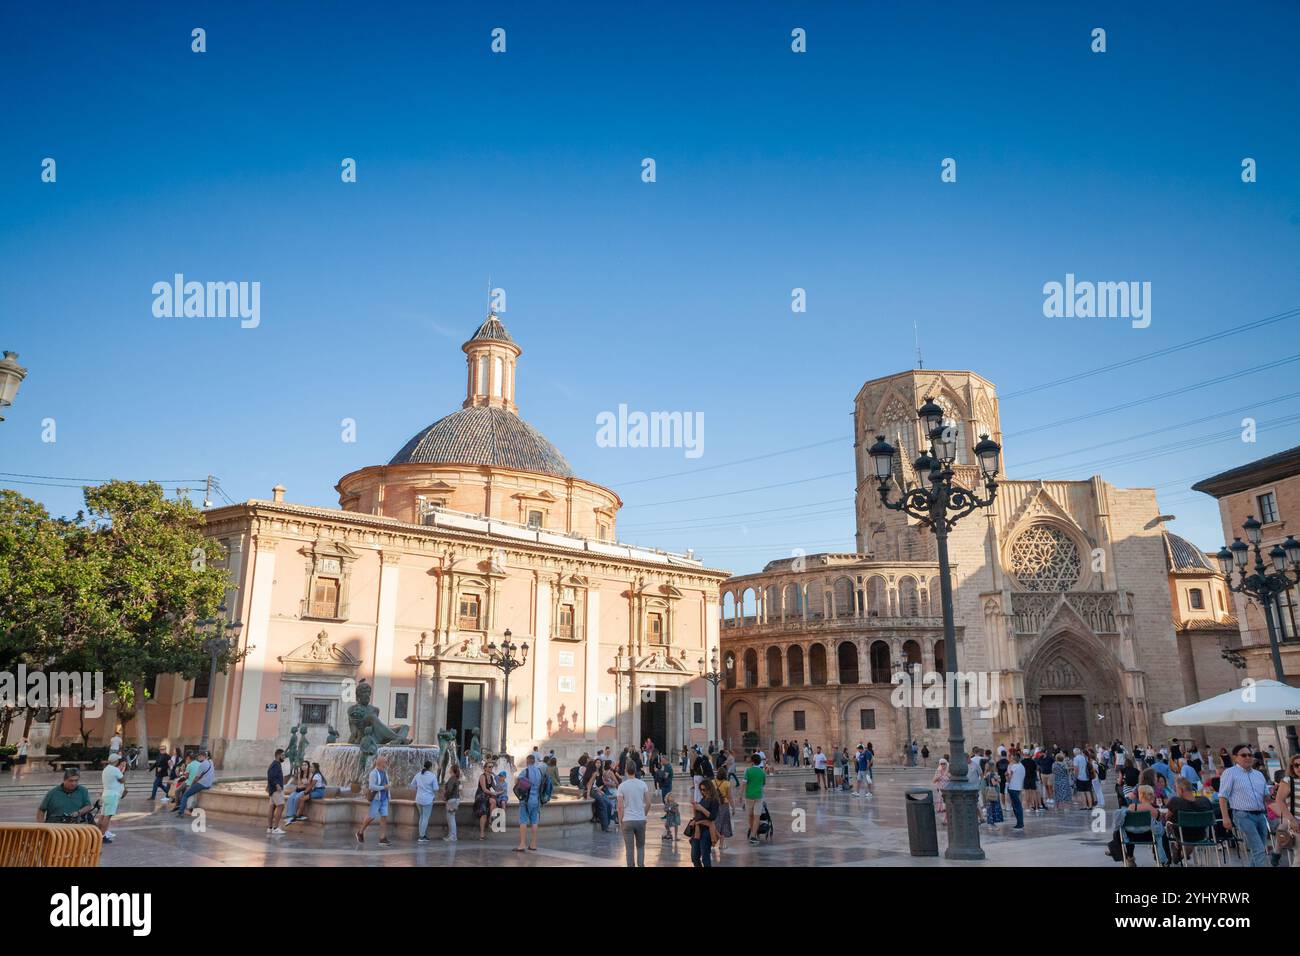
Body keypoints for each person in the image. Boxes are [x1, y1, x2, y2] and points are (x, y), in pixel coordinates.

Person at [1219, 742, 1272, 867]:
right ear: (1235, 757)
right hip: (1243, 815)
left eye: (1250, 755)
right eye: (1244, 755)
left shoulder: (1259, 774)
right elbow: (1222, 796)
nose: (1248, 758)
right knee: (1259, 850)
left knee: (1259, 849)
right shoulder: (1230, 773)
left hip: (1260, 815)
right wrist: (1226, 818)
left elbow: (1266, 797)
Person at [1167, 774, 1213, 864]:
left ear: (1181, 790)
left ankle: (1174, 853)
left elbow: (1167, 817)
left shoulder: (1175, 801)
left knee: (1167, 823)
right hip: (1202, 836)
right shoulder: (1205, 801)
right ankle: (1181, 852)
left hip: (1182, 836)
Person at [616, 758, 651, 866]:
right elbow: (649, 803)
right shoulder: (642, 784)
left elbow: (620, 807)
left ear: (626, 770)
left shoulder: (622, 786)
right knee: (640, 847)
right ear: (636, 770)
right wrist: (643, 814)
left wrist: (621, 820)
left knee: (629, 850)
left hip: (627, 820)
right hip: (640, 819)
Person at [356, 753, 392, 846]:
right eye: (385, 762)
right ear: (380, 763)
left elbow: (387, 784)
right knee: (371, 817)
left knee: (384, 817)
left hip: (384, 799)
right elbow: (372, 786)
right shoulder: (373, 773)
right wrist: (384, 787)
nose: (386, 763)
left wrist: (388, 795)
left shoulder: (385, 772)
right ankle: (360, 832)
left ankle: (382, 838)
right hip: (376, 799)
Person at [515, 753, 544, 852]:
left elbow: (517, 782)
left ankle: (522, 844)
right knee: (534, 821)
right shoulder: (539, 771)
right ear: (534, 761)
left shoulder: (525, 771)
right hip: (536, 800)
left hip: (526, 800)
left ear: (527, 762)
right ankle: (533, 844)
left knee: (523, 821)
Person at [688, 778, 720, 867]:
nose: (703, 792)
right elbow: (699, 815)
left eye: (704, 789)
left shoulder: (714, 801)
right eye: (701, 789)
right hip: (697, 829)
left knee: (705, 856)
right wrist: (695, 808)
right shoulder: (703, 799)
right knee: (694, 856)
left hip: (706, 830)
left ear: (710, 789)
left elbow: (713, 817)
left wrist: (701, 808)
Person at [174, 750, 214, 816]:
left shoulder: (202, 765)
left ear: (202, 756)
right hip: (209, 784)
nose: (198, 758)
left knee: (185, 795)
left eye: (199, 757)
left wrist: (191, 785)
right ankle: (188, 808)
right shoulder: (210, 762)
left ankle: (181, 812)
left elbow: (196, 778)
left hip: (202, 784)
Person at [99, 752, 125, 843]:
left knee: (102, 815)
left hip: (106, 794)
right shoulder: (114, 769)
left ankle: (98, 834)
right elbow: (122, 780)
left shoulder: (106, 769)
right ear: (116, 761)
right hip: (112, 795)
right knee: (107, 816)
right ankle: (102, 836)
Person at [412, 759, 439, 844]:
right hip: (428, 799)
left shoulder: (418, 774)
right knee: (425, 818)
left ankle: (421, 834)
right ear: (430, 767)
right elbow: (436, 788)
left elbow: (412, 785)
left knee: (421, 817)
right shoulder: (432, 776)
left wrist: (419, 788)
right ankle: (422, 836)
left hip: (418, 799)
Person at [743, 753, 766, 843]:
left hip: (748, 796)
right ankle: (753, 836)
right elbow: (763, 783)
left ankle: (753, 831)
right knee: (757, 817)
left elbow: (744, 783)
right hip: (758, 796)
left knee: (750, 816)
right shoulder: (762, 772)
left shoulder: (747, 771)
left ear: (752, 761)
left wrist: (740, 795)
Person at [473, 763, 497, 840]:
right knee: (483, 814)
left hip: (487, 795)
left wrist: (495, 776)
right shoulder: (482, 776)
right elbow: (484, 789)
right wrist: (493, 793)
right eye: (489, 767)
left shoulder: (491, 777)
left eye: (492, 767)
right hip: (481, 796)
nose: (491, 768)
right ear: (485, 768)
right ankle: (482, 833)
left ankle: (490, 820)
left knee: (493, 802)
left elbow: (496, 787)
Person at [266, 748, 286, 835]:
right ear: (278, 755)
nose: (284, 757)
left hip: (272, 789)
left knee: (272, 807)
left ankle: (270, 828)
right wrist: (277, 785)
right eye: (283, 755)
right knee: (281, 806)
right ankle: (275, 828)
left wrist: (269, 786)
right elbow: (271, 776)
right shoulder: (276, 764)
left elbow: (269, 776)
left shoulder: (274, 764)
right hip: (276, 790)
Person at [442, 762, 462, 841]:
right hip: (455, 799)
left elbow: (449, 790)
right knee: (451, 818)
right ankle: (451, 835)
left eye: (450, 768)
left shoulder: (452, 779)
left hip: (452, 800)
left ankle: (453, 836)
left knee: (451, 818)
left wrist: (445, 797)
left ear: (452, 770)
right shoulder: (456, 779)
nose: (449, 769)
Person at [1006, 750, 1026, 829]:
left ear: (1014, 760)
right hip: (1019, 787)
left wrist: (1006, 776)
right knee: (1017, 805)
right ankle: (1020, 822)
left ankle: (1020, 823)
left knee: (1016, 806)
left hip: (1013, 787)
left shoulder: (1014, 766)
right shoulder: (1022, 766)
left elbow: (1009, 777)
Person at [932, 757, 949, 824]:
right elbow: (933, 781)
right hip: (941, 790)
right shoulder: (938, 771)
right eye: (941, 764)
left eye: (944, 764)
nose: (942, 765)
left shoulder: (949, 770)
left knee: (947, 806)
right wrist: (938, 777)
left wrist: (947, 775)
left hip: (948, 790)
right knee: (946, 806)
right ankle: (945, 820)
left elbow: (952, 778)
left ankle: (945, 820)